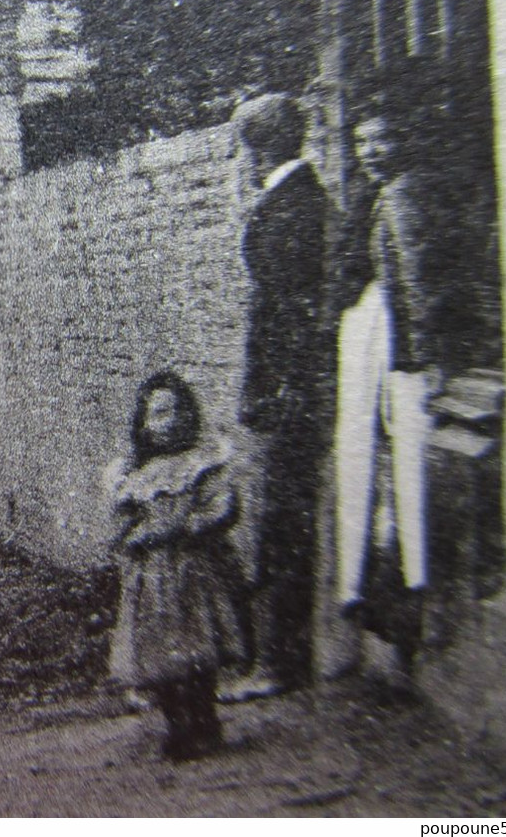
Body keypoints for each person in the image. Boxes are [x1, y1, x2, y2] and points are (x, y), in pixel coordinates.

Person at [224, 94, 330, 702]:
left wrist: (272, 391)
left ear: (258, 147)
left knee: (283, 526)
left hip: (295, 392)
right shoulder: (298, 198)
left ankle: (281, 664)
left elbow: (283, 314)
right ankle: (279, 658)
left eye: (245, 146)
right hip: (294, 387)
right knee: (282, 523)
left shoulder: (290, 207)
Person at [332, 110, 442, 662]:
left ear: (406, 138)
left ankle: (406, 589)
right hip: (379, 335)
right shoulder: (372, 195)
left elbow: (416, 279)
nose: (371, 150)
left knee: (400, 461)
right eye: (361, 141)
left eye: (383, 137)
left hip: (399, 345)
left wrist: (425, 351)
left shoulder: (403, 195)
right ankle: (381, 589)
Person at [110, 371, 246, 761]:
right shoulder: (135, 477)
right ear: (144, 423)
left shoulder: (201, 464)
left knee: (198, 651)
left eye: (172, 412)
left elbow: (223, 507)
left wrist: (193, 524)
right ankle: (177, 726)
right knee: (160, 657)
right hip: (152, 580)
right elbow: (124, 523)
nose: (164, 422)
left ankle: (205, 718)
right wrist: (134, 535)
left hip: (192, 573)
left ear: (186, 416)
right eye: (155, 414)